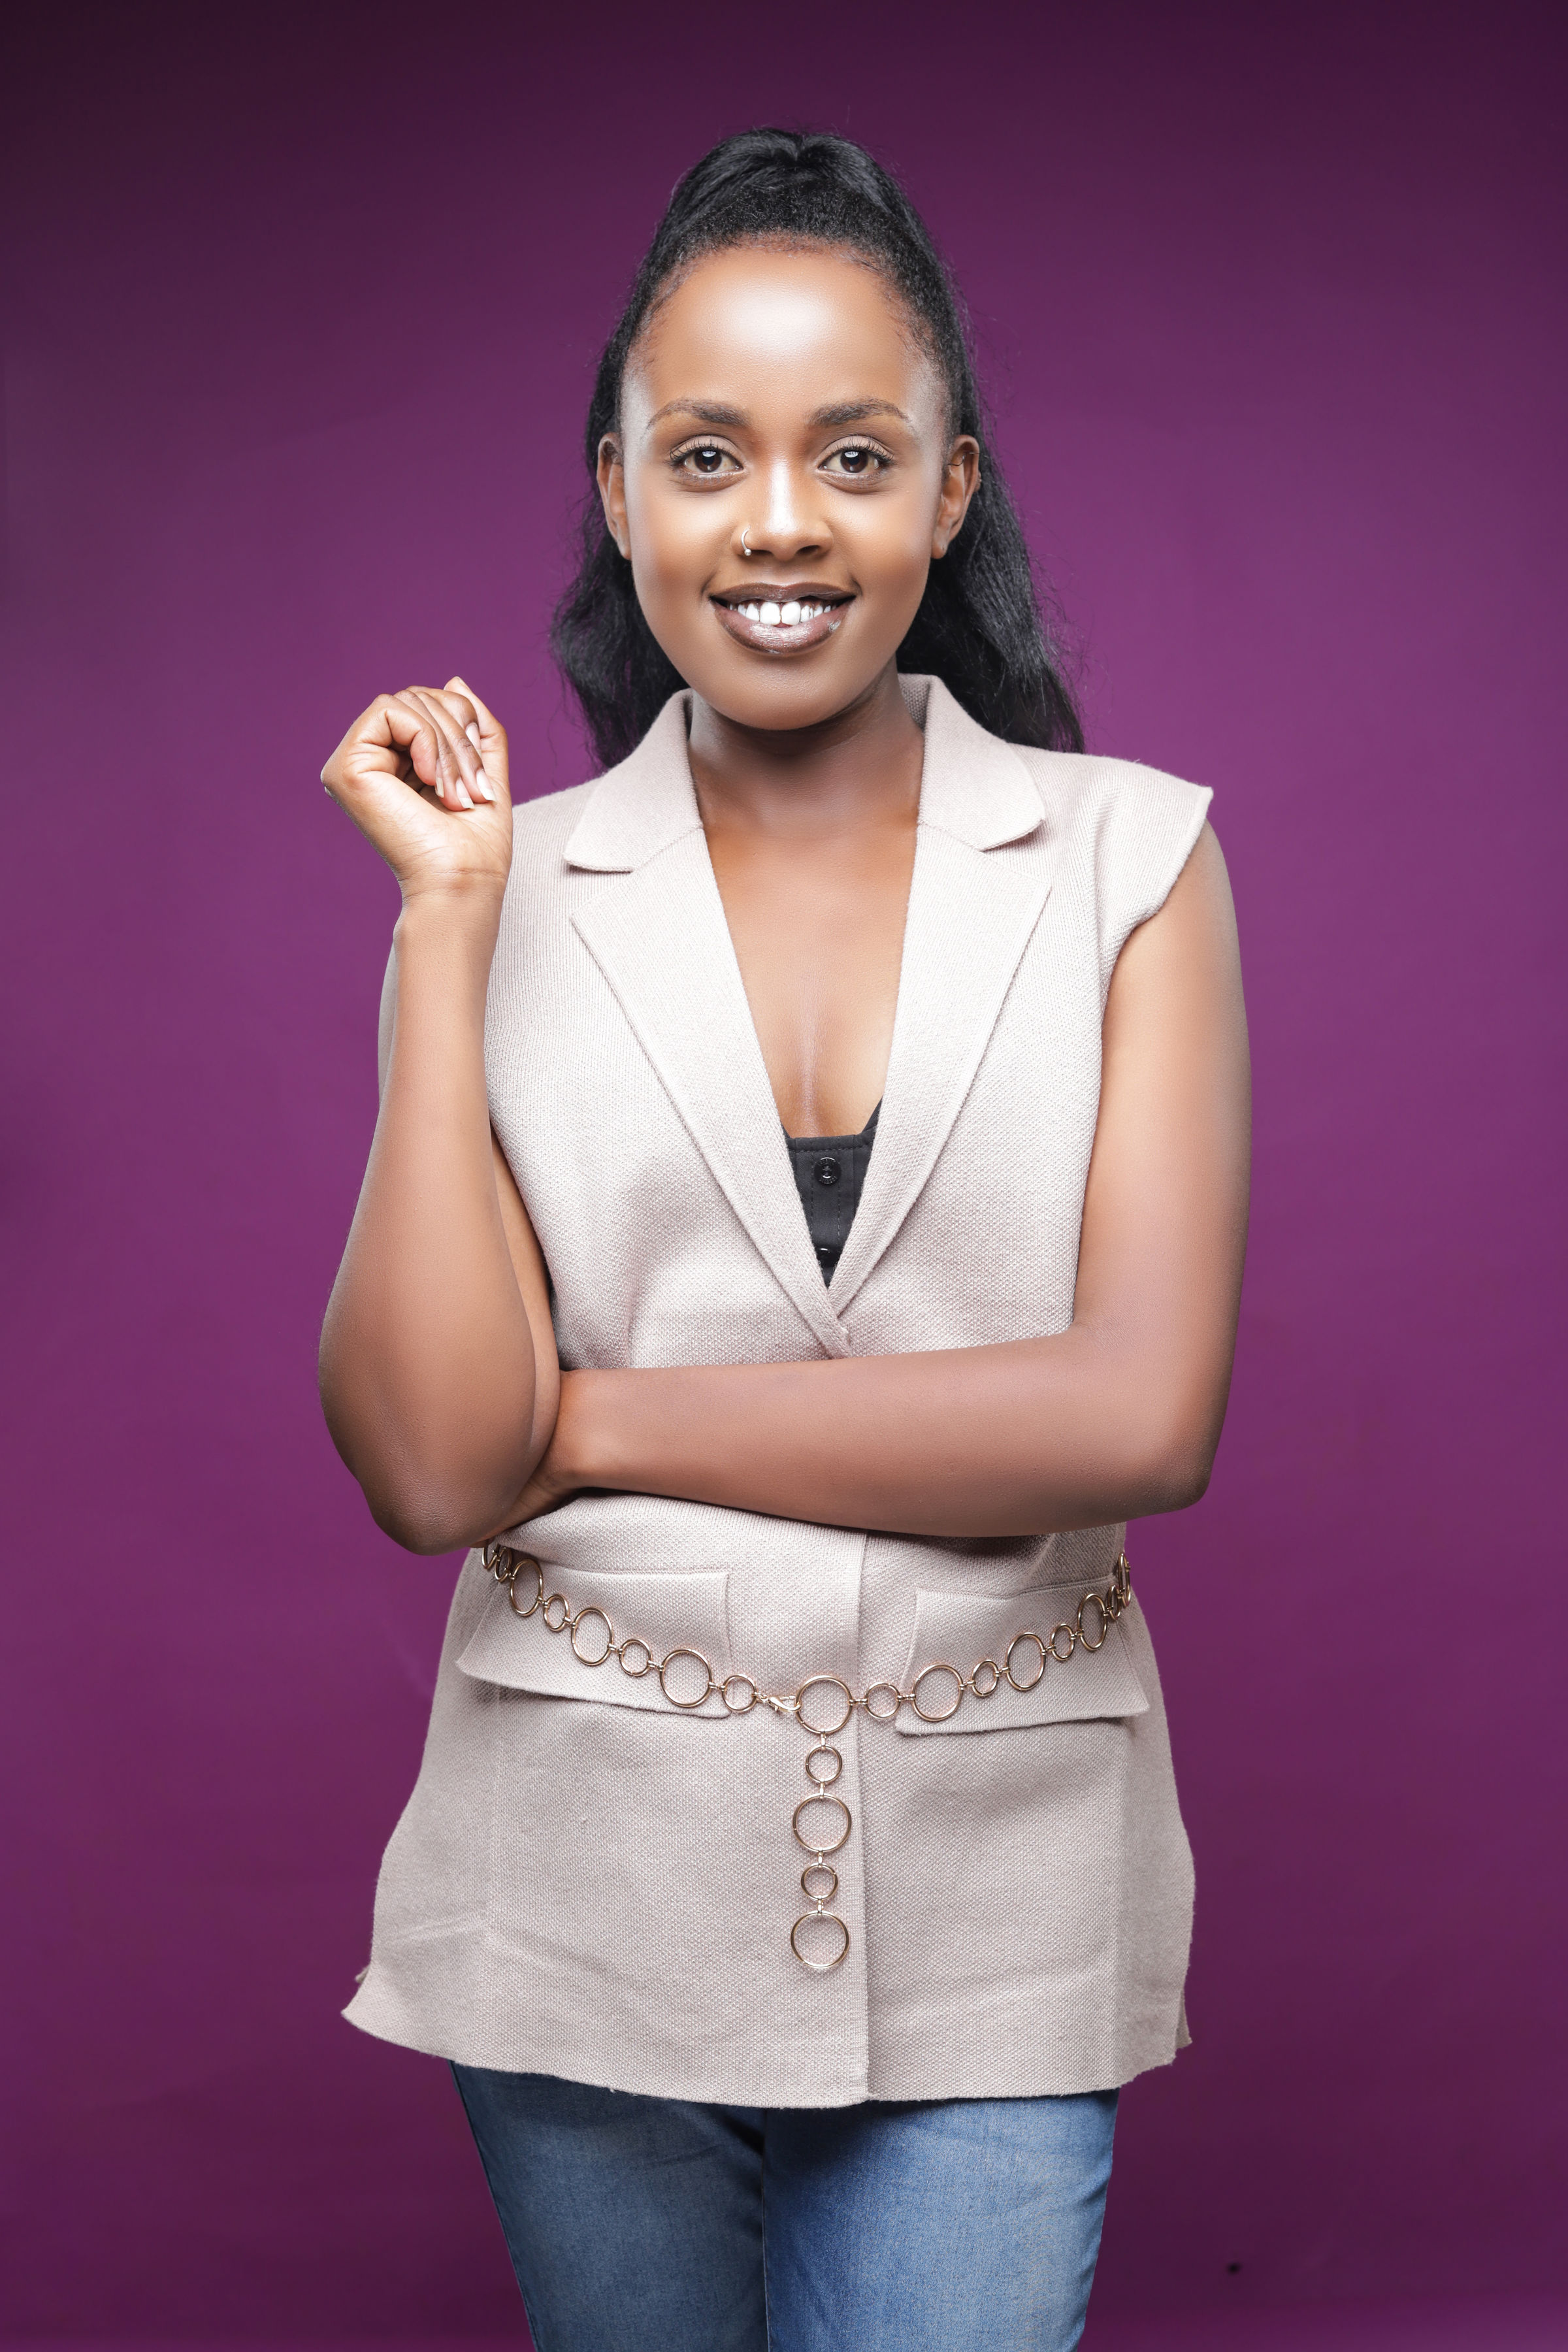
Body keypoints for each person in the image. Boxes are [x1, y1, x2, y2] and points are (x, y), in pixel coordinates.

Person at [318, 128, 1250, 2352]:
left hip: (1009, 1866)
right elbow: (436, 1466)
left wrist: (592, 1420)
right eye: (707, 455)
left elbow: (1138, 1416)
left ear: (949, 490)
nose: (779, 524)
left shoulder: (1131, 862)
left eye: (853, 454)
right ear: (619, 490)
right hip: (578, 1872)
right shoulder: (507, 892)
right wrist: (446, 928)